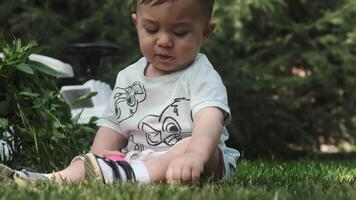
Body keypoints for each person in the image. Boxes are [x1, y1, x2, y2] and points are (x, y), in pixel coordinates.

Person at [0, 0, 239, 184]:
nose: (164, 41)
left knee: (190, 146)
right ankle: (47, 179)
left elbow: (209, 122)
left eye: (179, 33)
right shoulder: (128, 77)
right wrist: (100, 156)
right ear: (137, 24)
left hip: (197, 160)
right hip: (136, 160)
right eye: (152, 29)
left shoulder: (201, 75)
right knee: (86, 162)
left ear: (205, 33)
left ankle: (135, 174)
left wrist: (195, 156)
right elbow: (113, 125)